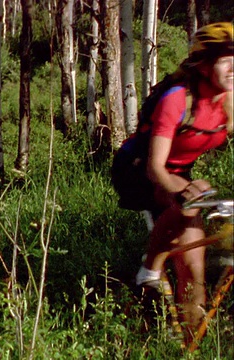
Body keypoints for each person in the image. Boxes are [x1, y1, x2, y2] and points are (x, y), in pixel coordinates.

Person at [121, 22, 232, 339]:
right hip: (139, 170)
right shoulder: (177, 98)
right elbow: (156, 168)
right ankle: (150, 269)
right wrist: (187, 193)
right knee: (192, 206)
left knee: (194, 268)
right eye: (226, 59)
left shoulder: (229, 100)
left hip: (179, 172)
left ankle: (189, 343)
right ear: (205, 64)